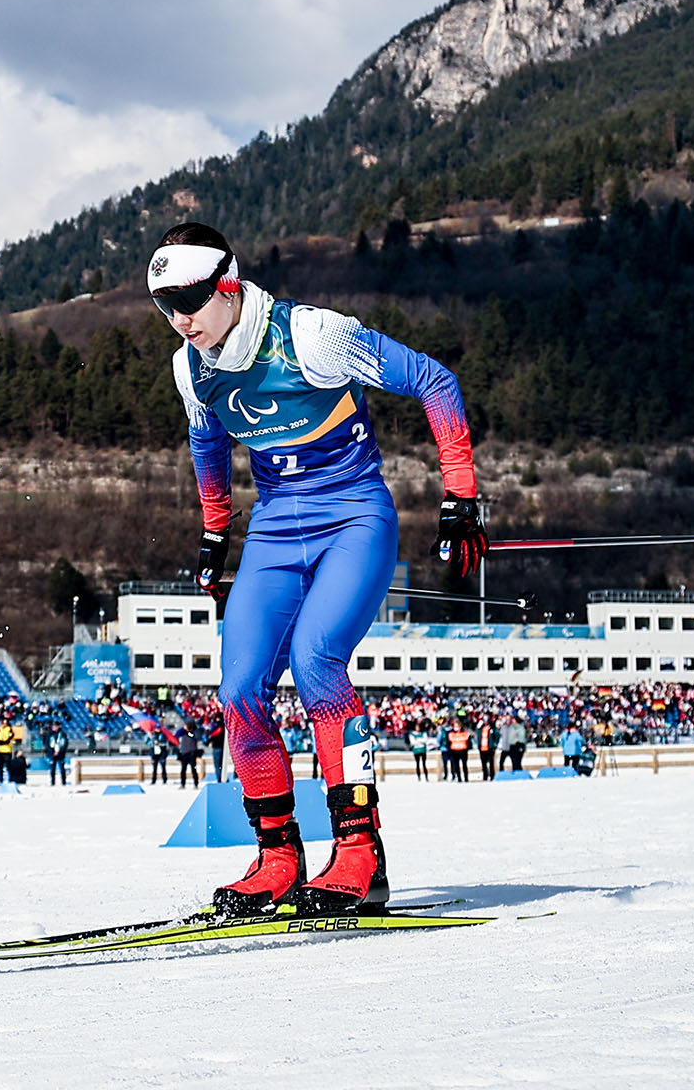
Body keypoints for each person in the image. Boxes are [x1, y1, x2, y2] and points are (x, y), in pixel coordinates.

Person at [153, 222, 483, 915]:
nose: (181, 317)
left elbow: (434, 380)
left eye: (191, 298)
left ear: (228, 285)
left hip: (355, 516)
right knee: (239, 688)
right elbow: (207, 448)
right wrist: (215, 538)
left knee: (316, 661)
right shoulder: (192, 367)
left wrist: (461, 497)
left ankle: (360, 853)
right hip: (275, 528)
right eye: (165, 303)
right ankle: (278, 858)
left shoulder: (312, 337)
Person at [174, 722, 202, 789]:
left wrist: (189, 731)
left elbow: (194, 736)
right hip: (184, 753)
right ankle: (183, 784)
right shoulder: (183, 732)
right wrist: (183, 729)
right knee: (183, 769)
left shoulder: (194, 732)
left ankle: (196, 784)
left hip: (192, 753)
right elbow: (177, 734)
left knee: (193, 769)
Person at [44, 722, 72, 787]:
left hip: (60, 754)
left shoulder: (62, 734)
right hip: (52, 754)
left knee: (62, 768)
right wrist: (52, 752)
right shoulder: (49, 734)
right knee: (52, 769)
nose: (54, 727)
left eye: (55, 726)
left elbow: (65, 744)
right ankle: (52, 782)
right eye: (53, 726)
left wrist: (59, 751)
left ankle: (63, 782)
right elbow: (47, 744)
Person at [0, 716, 17, 783]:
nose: (3, 724)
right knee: (0, 767)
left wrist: (1, 742)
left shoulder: (9, 730)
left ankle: (11, 779)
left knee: (9, 766)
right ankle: (1, 780)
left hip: (6, 750)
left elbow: (7, 741)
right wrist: (1, 742)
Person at [207, 714, 226, 782]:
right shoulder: (224, 726)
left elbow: (214, 734)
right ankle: (222, 777)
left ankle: (220, 778)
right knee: (221, 764)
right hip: (222, 747)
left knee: (217, 765)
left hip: (217, 747)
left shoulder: (219, 727)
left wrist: (208, 740)